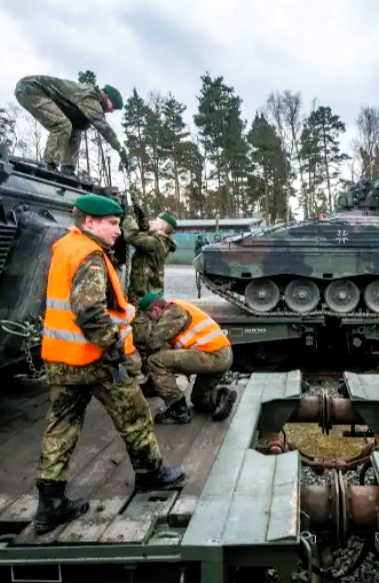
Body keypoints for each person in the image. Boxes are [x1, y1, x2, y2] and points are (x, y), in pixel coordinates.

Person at [35, 194, 183, 534]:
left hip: (62, 360)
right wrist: (113, 347)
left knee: (61, 427)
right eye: (112, 224)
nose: (118, 230)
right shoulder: (90, 256)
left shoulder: (65, 247)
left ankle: (50, 503)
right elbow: (89, 311)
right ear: (90, 222)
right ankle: (150, 474)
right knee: (135, 415)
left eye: (119, 223)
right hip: (97, 360)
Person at [135, 292, 238, 425]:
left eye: (149, 316)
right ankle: (222, 396)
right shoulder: (178, 309)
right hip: (221, 355)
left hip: (212, 355)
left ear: (155, 310)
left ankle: (178, 410)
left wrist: (149, 372)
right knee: (198, 398)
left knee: (154, 362)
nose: (150, 320)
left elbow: (153, 342)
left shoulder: (173, 312)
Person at [14, 75, 130, 176]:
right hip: (30, 89)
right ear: (107, 97)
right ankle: (49, 164)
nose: (111, 111)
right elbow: (104, 127)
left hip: (37, 92)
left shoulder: (92, 99)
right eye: (113, 106)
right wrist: (120, 149)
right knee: (63, 124)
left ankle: (68, 168)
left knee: (77, 126)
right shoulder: (91, 98)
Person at [123, 211, 178, 304]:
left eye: (156, 221)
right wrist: (141, 216)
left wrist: (127, 216)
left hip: (144, 297)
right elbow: (146, 230)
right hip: (149, 294)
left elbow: (132, 236)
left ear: (162, 226)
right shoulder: (160, 240)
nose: (152, 221)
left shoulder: (155, 243)